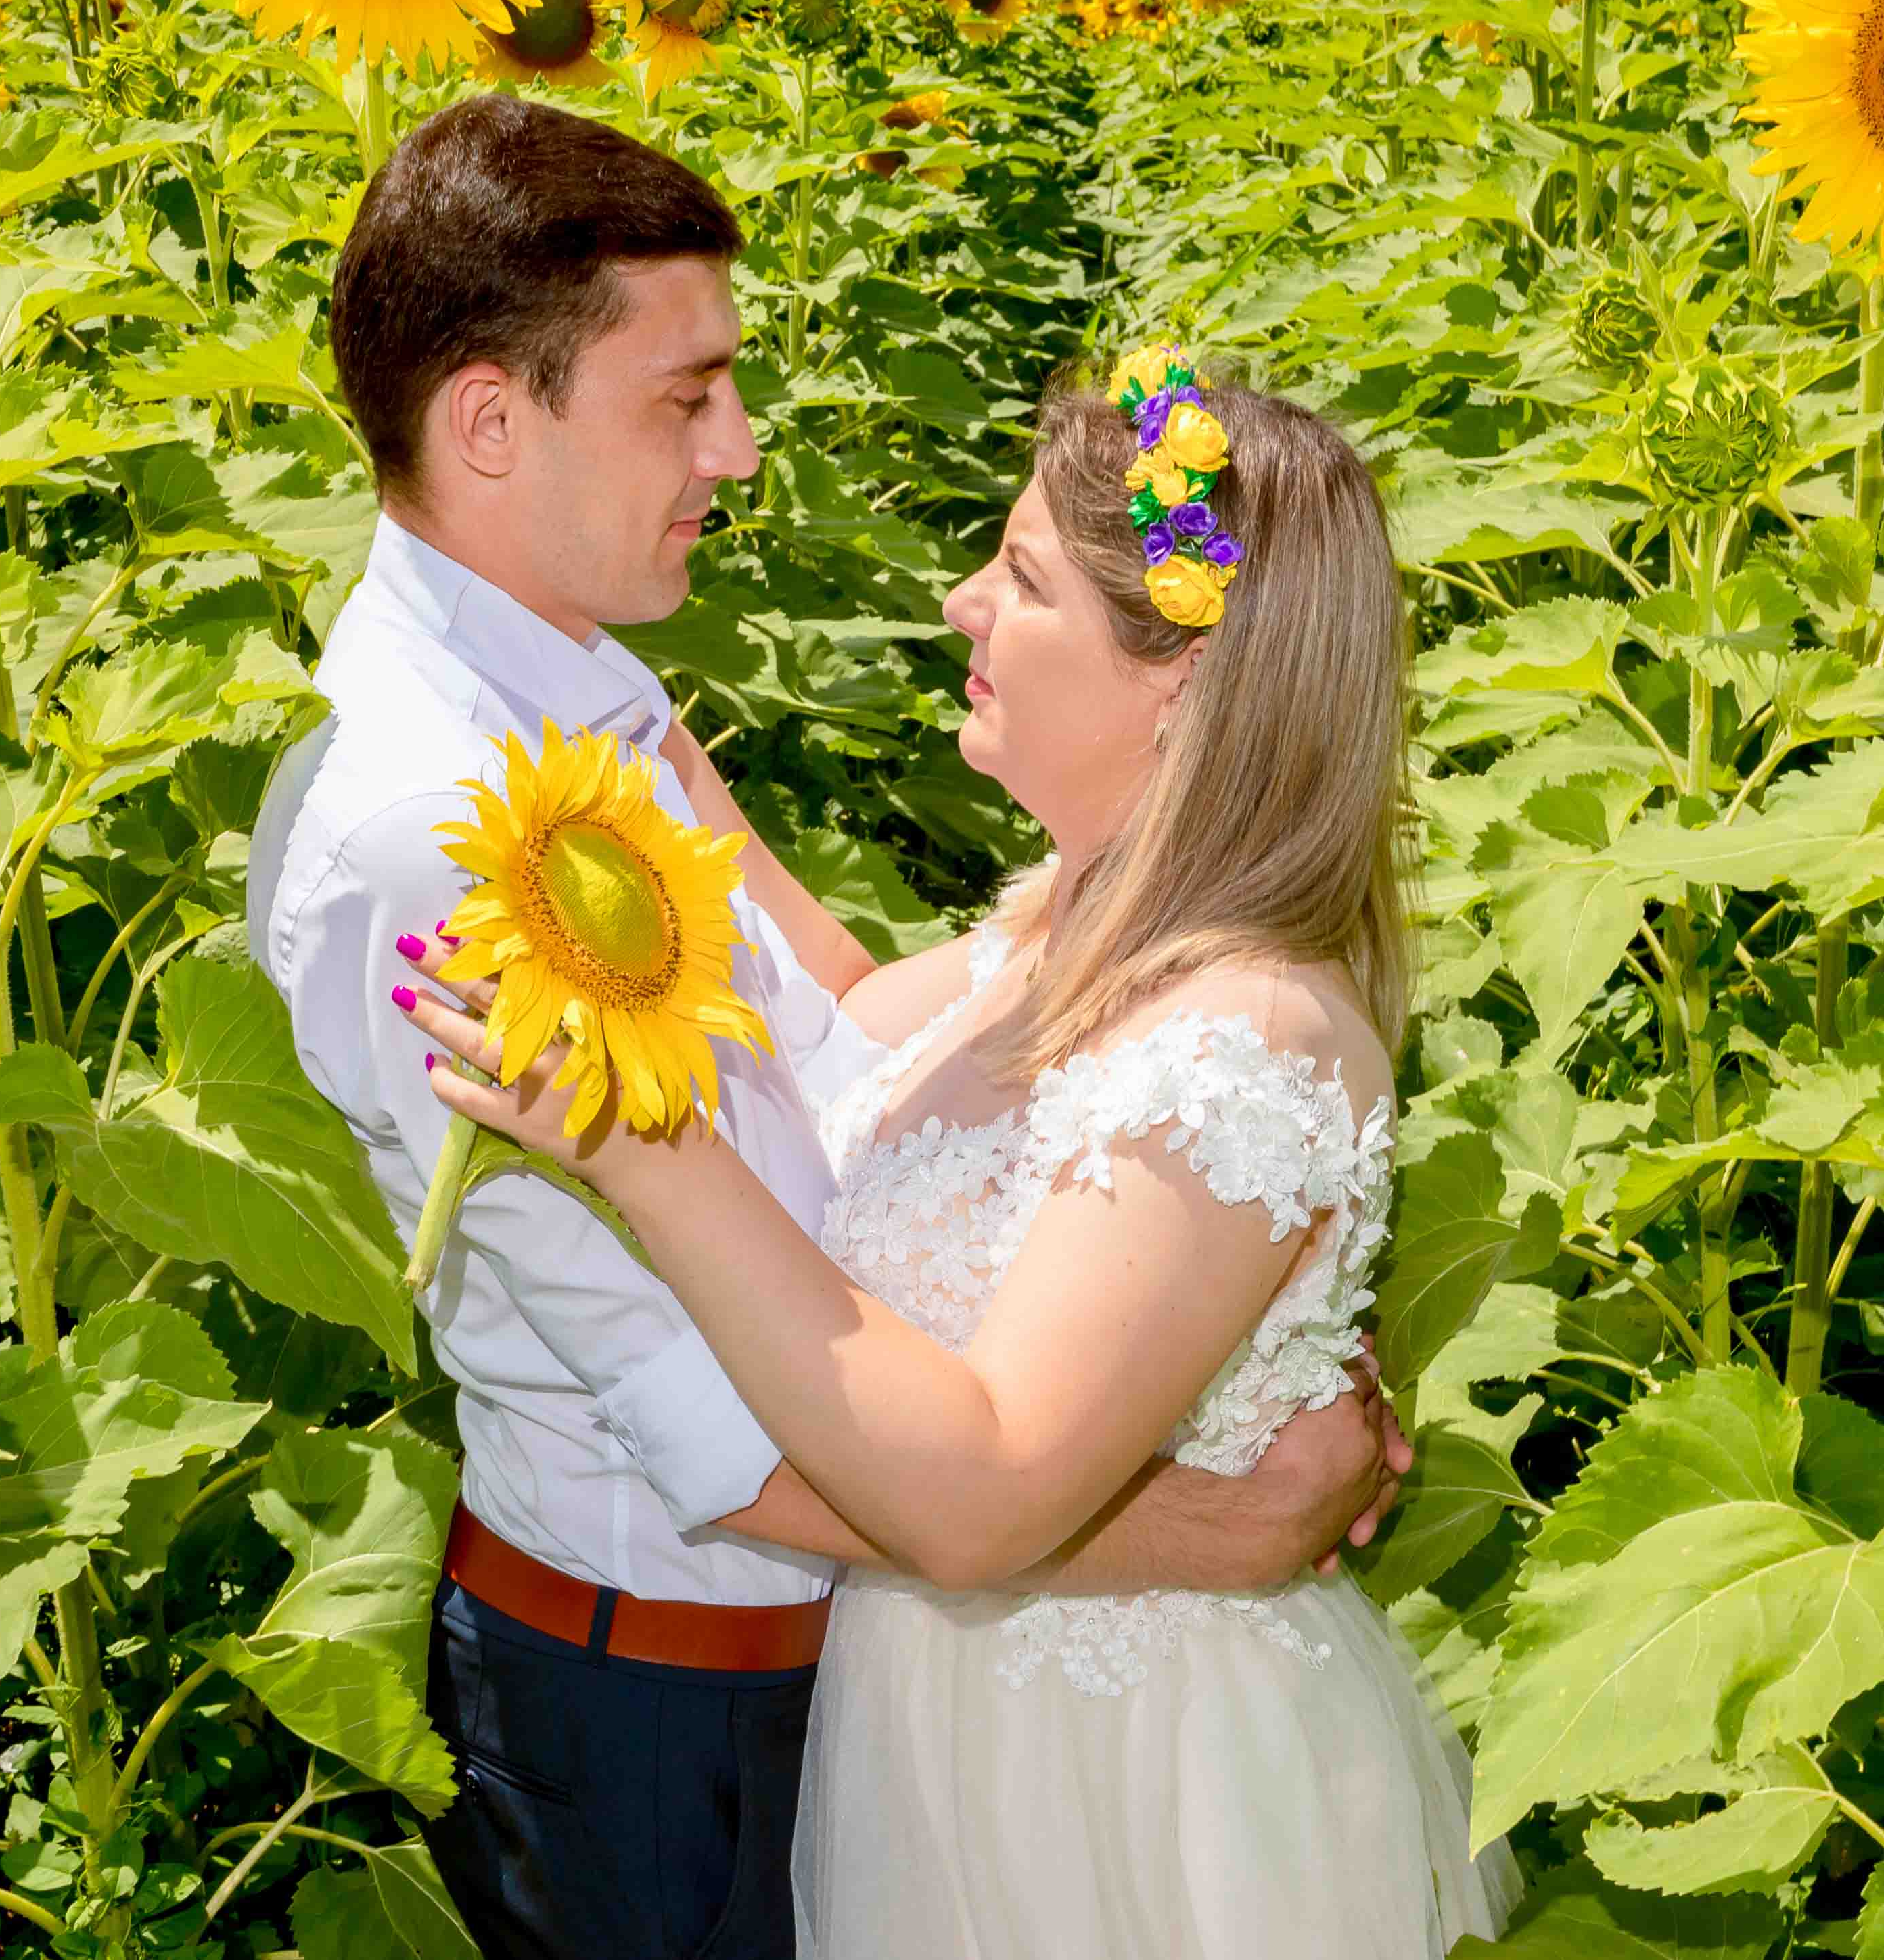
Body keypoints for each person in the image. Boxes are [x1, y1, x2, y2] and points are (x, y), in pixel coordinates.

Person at [250, 93, 1409, 1960]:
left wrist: (1203, 1295)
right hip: (663, 1701)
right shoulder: (433, 834)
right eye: (684, 393)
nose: (745, 443)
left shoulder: (592, 693)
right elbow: (711, 1423)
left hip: (884, 1697)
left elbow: (852, 1032)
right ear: (490, 420)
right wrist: (1216, 1517)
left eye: (1022, 576)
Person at [396, 352, 1518, 1957]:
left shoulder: (1241, 1036)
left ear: (1181, 685)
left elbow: (987, 1489)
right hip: (950, 1748)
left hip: (1115, 1809)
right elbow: (861, 1031)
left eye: (1024, 579)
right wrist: (624, 746)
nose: (957, 598)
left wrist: (634, 1143)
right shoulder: (1060, 924)